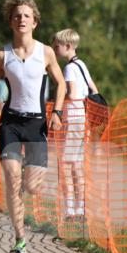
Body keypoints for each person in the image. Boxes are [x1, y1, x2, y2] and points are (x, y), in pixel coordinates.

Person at [0, 0, 66, 253]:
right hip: (10, 122)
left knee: (31, 187)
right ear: (11, 21)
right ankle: (20, 238)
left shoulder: (46, 53)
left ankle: (22, 195)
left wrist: (58, 113)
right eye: (17, 16)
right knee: (11, 178)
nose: (22, 19)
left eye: (26, 16)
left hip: (37, 123)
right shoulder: (1, 55)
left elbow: (61, 84)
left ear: (35, 22)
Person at [52, 28, 98, 221]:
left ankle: (71, 209)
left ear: (67, 46)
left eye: (57, 46)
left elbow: (71, 93)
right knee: (77, 164)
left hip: (74, 118)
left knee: (67, 163)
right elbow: (94, 89)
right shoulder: (82, 65)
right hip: (84, 118)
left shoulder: (69, 68)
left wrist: (58, 107)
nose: (55, 50)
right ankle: (80, 208)